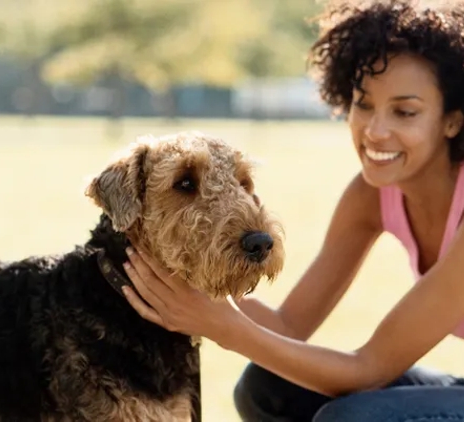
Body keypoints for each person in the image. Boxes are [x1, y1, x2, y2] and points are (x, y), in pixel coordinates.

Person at [120, 0, 464, 420]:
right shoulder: (372, 195)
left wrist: (219, 324)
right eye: (364, 103)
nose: (374, 130)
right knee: (267, 388)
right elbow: (287, 328)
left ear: (453, 120)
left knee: (351, 417)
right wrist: (178, 271)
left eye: (405, 112)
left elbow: (368, 370)